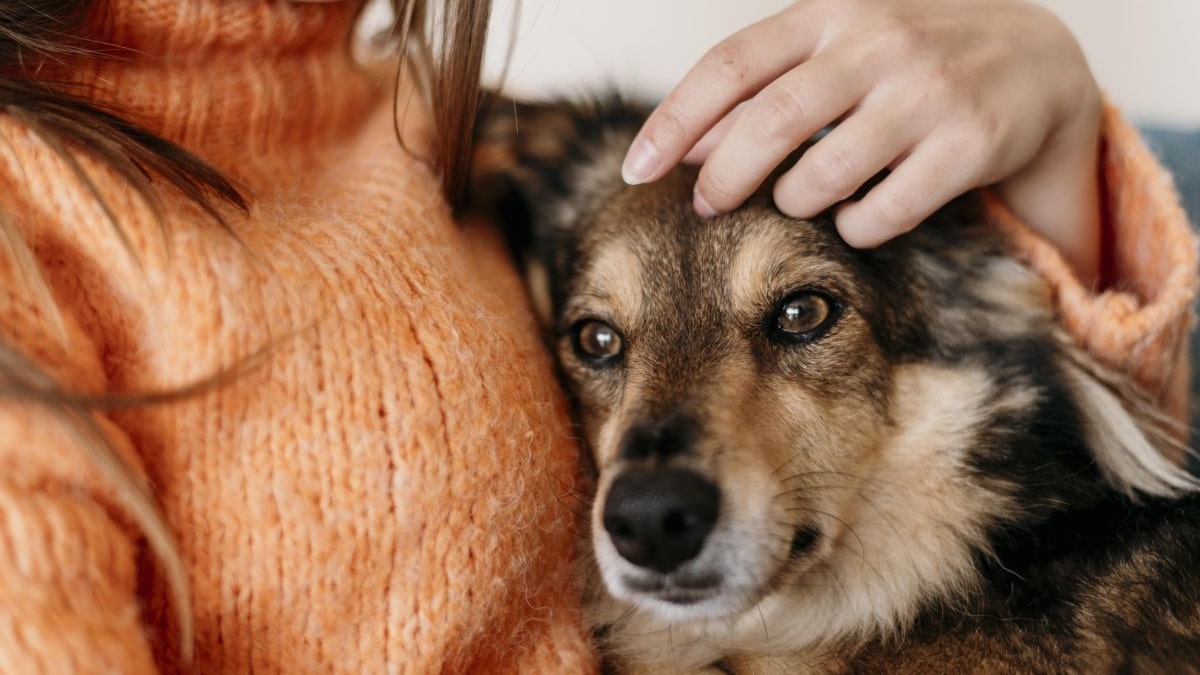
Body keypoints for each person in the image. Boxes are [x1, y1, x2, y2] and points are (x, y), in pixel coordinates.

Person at [0, 1, 1192, 674]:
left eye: (800, 315)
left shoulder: (470, 142)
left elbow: (1077, 423)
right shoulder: (27, 215)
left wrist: (1050, 115)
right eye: (598, 344)